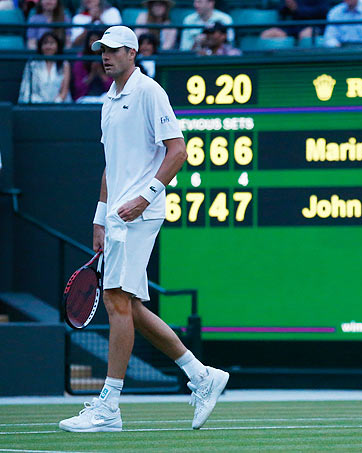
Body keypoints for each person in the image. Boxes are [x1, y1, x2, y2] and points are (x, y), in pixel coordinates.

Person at [58, 26, 229, 433]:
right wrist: (99, 218)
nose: (105, 56)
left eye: (114, 50)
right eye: (101, 50)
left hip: (140, 214)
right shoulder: (107, 101)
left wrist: (145, 197)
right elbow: (110, 165)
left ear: (133, 52)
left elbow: (178, 150)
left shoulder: (150, 91)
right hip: (117, 218)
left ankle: (109, 407)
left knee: (118, 302)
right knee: (130, 305)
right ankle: (202, 375)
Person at [18, 32, 71, 103]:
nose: (48, 46)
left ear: (57, 46)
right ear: (40, 46)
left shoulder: (65, 64)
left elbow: (64, 91)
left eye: (52, 43)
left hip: (60, 106)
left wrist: (55, 104)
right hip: (36, 105)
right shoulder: (32, 64)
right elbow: (26, 89)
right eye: (45, 43)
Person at [71, 29, 113, 102]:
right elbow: (78, 88)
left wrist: (101, 74)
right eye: (92, 40)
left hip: (105, 97)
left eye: (97, 41)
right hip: (85, 98)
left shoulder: (110, 58)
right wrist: (91, 75)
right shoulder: (80, 59)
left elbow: (114, 88)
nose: (94, 44)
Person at [261, 0, 330, 40]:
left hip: (314, 26)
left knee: (305, 35)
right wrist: (287, 5)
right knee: (268, 34)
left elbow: (322, 11)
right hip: (293, 27)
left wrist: (297, 9)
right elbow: (281, 10)